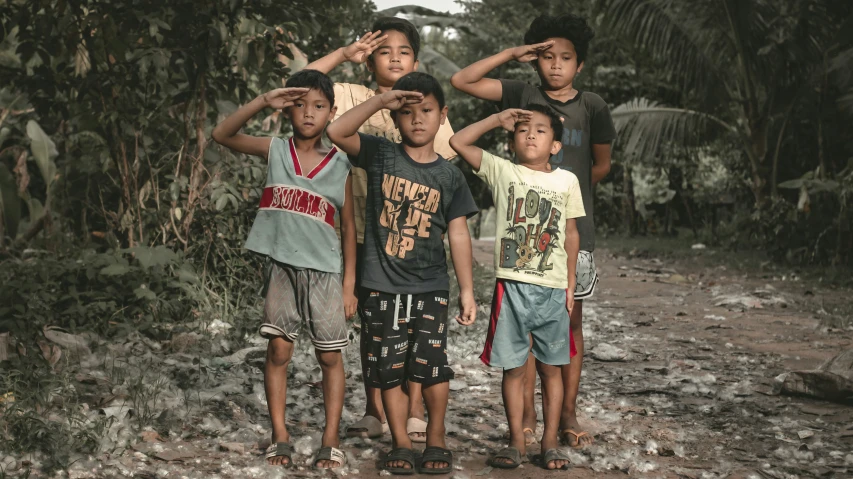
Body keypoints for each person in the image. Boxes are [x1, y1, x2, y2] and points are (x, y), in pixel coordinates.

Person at [450, 12, 616, 448]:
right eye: (546, 56)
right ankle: (523, 420)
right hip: (522, 250)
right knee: (520, 335)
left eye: (566, 57)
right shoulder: (523, 95)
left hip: (572, 235)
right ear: (534, 61)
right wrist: (511, 54)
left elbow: (601, 166)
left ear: (580, 65)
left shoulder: (593, 106)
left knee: (569, 329)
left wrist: (557, 198)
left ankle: (567, 415)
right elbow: (462, 81)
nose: (556, 65)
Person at [305, 16, 457, 443]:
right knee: (376, 328)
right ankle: (375, 409)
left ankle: (411, 411)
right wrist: (343, 55)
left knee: (415, 331)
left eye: (404, 51)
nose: (394, 57)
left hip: (410, 237)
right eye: (383, 50)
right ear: (368, 59)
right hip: (361, 232)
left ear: (417, 59)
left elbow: (445, 169)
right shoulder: (353, 95)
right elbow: (300, 89)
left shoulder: (427, 104)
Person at [327, 72, 477, 475]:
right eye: (407, 112)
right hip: (380, 287)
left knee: (432, 367)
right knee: (388, 368)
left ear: (442, 115)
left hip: (430, 287)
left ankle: (437, 439)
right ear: (396, 118)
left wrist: (467, 290)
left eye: (426, 111)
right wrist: (381, 101)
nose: (417, 119)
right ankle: (400, 441)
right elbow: (337, 130)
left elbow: (459, 234)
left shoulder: (449, 175)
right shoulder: (379, 153)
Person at [211, 70, 357, 469]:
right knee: (278, 349)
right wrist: (264, 99)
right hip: (281, 268)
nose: (309, 113)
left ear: (331, 113)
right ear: (288, 108)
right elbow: (221, 134)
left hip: (324, 273)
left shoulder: (340, 163)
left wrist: (349, 285)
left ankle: (330, 438)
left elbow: (348, 229)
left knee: (330, 358)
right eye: (300, 104)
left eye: (319, 106)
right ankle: (280, 435)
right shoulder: (274, 150)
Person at [450, 105, 584, 470]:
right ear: (512, 141)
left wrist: (571, 284)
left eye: (541, 131)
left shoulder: (566, 181)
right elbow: (457, 140)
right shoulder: (503, 171)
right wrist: (497, 119)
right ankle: (515, 441)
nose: (530, 135)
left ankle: (550, 441)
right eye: (523, 130)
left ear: (555, 145)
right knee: (513, 369)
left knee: (551, 369)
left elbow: (571, 235)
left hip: (553, 290)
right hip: (511, 288)